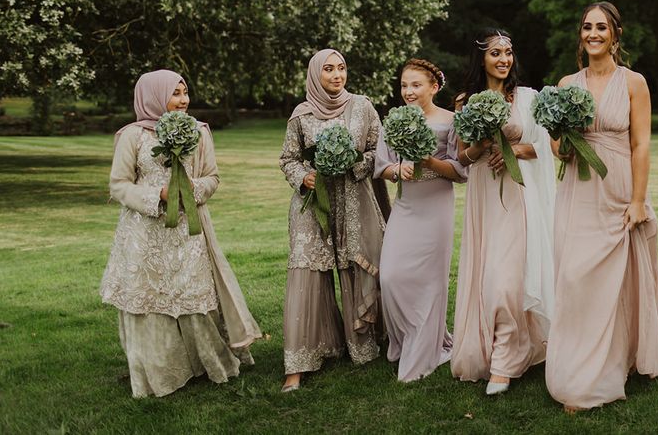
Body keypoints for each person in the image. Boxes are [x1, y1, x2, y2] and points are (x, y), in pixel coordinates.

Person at [545, 2, 658, 411]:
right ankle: (579, 363)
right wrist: (560, 145)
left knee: (617, 280)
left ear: (616, 35)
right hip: (578, 190)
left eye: (601, 27)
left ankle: (612, 363)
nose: (593, 33)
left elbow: (641, 144)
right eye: (587, 27)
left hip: (619, 185)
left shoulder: (634, 82)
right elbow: (557, 145)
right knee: (574, 276)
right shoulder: (568, 82)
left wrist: (638, 199)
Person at [100, 69, 261, 398]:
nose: (183, 99)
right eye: (175, 93)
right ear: (153, 96)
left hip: (189, 230)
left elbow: (213, 178)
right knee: (149, 302)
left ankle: (203, 364)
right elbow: (118, 186)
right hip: (145, 234)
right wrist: (154, 196)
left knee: (192, 295)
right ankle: (157, 372)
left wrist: (194, 187)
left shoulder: (199, 132)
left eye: (185, 92)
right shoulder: (133, 136)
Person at [451, 30, 556, 395]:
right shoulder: (465, 102)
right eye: (496, 53)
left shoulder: (528, 98)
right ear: (481, 58)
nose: (504, 59)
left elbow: (544, 145)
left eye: (509, 52)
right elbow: (461, 158)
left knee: (508, 281)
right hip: (485, 196)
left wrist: (515, 149)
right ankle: (500, 349)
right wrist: (480, 146)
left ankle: (505, 363)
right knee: (488, 275)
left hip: (518, 193)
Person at [279, 49, 386, 391]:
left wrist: (352, 164)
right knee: (308, 271)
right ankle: (300, 362)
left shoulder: (363, 107)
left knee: (355, 265)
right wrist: (304, 177)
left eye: (341, 68)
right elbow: (288, 159)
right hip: (313, 205)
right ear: (315, 75)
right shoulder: (301, 115)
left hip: (354, 200)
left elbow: (377, 152)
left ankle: (362, 346)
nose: (337, 75)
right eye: (328, 69)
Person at [374, 58, 466, 382]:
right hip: (407, 206)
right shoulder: (395, 120)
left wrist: (428, 160)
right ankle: (406, 337)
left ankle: (426, 347)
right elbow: (381, 165)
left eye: (416, 85)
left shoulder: (451, 121)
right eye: (404, 85)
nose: (408, 91)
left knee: (430, 282)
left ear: (434, 87)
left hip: (437, 206)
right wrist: (397, 170)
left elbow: (460, 171)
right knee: (390, 277)